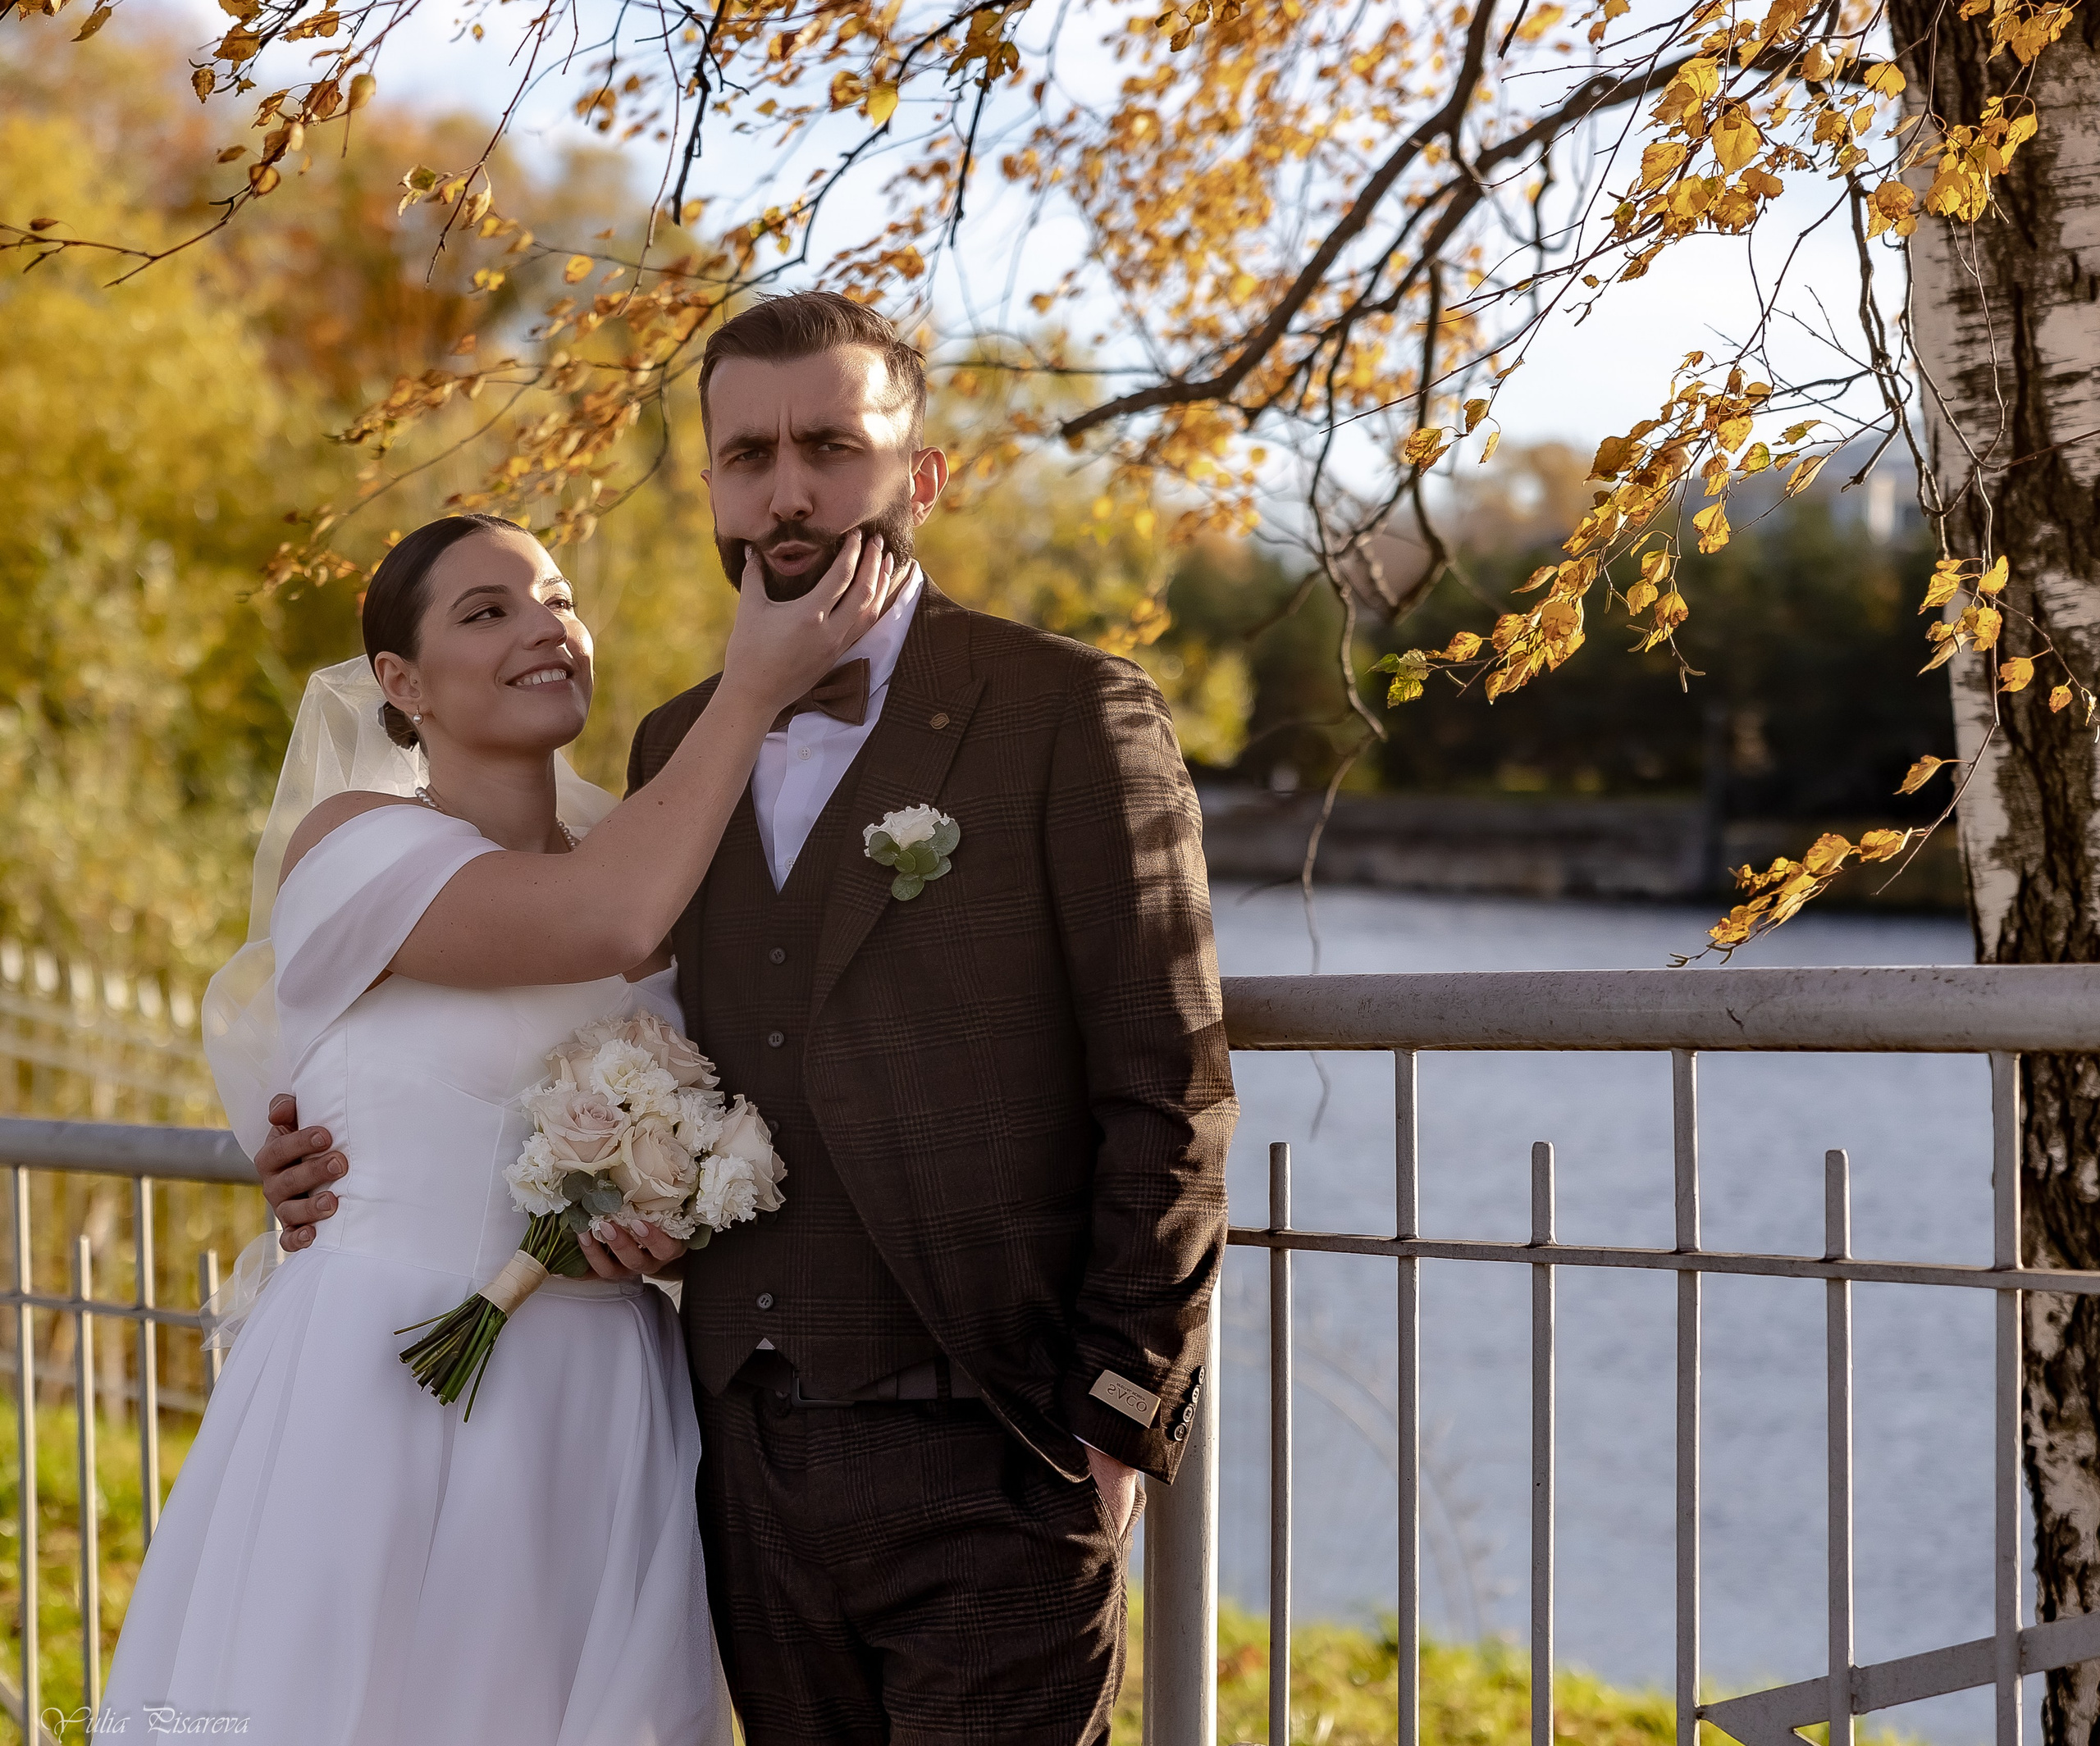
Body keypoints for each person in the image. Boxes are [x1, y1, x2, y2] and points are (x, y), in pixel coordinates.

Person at [258, 290, 1238, 1745]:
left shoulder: (1070, 713)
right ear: (711, 481)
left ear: (921, 474)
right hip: (734, 1468)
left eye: (832, 446)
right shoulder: (674, 745)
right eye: (749, 454)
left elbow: (1167, 1088)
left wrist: (1110, 1425)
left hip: (999, 1444)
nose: (788, 491)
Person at [102, 504, 901, 1744]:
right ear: (399, 682)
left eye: (559, 598)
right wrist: (752, 688)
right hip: (390, 1372)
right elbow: (604, 922)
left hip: (601, 1392)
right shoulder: (358, 844)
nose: (548, 626)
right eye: (490, 611)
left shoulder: (654, 860)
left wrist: (677, 1224)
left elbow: (710, 1078)